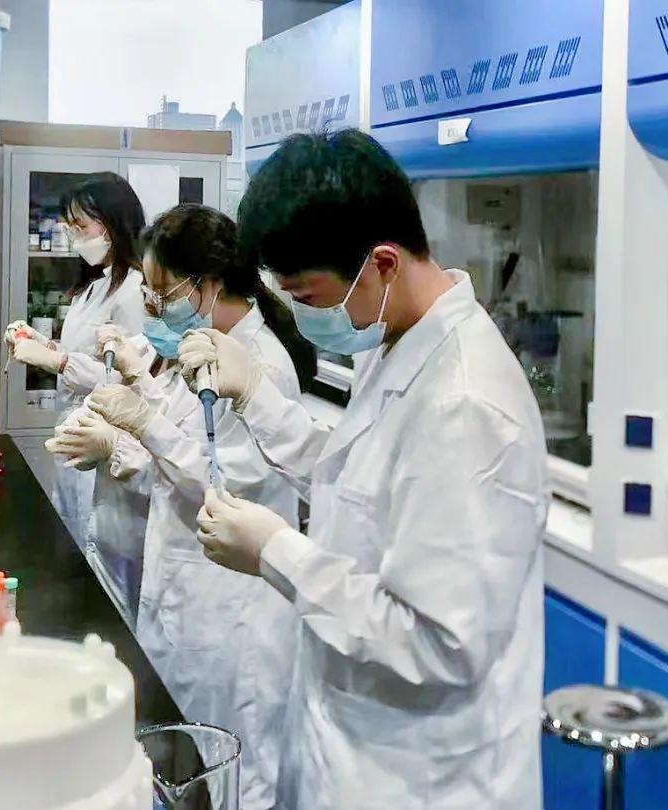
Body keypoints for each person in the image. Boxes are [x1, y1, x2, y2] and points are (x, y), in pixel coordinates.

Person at [180, 131, 548, 810]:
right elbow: (356, 481)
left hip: (423, 779)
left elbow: (439, 643)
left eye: (307, 296)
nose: (300, 315)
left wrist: (275, 553)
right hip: (355, 748)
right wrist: (256, 395)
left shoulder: (466, 404)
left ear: (382, 263)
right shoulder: (398, 338)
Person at [49, 204, 315, 810]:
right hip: (187, 588)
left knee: (237, 775)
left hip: (231, 611)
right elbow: (191, 434)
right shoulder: (206, 347)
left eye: (163, 293)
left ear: (209, 285)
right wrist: (143, 392)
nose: (152, 307)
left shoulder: (258, 363)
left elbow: (228, 481)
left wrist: (143, 427)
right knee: (187, 767)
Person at [4, 172, 145, 543]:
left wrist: (59, 363)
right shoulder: (95, 285)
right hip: (74, 433)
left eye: (80, 226)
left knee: (94, 544)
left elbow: (133, 381)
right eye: (70, 226)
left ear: (113, 224)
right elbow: (84, 353)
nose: (73, 235)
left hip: (107, 441)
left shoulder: (133, 289)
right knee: (70, 538)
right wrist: (43, 345)